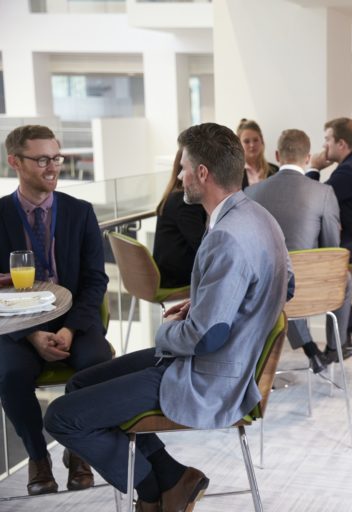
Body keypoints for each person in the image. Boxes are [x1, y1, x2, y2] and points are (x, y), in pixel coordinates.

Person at [44, 123, 292, 512]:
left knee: (61, 417)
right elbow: (285, 286)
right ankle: (174, 478)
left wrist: (167, 330)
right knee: (79, 385)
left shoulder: (227, 235)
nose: (179, 175)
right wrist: (208, 300)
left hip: (210, 373)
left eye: (184, 167)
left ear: (203, 174)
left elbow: (207, 337)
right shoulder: (260, 216)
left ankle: (151, 492)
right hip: (221, 360)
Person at [0, 125, 111, 495]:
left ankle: (78, 448)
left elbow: (96, 280)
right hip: (17, 325)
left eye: (56, 158)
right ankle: (38, 456)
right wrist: (30, 333)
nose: (52, 167)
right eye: (42, 159)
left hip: (74, 322)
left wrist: (68, 330)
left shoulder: (81, 213)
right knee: (9, 373)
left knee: (96, 361)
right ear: (15, 161)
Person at [245, 128, 352, 373]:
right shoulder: (323, 192)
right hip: (307, 288)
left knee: (283, 275)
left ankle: (309, 347)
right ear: (307, 158)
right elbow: (331, 251)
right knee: (344, 278)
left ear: (277, 154)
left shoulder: (251, 193)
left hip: (263, 289)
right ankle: (333, 347)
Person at [310, 117, 352, 346]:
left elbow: (313, 201)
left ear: (341, 144)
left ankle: (342, 336)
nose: (324, 146)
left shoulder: (347, 171)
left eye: (327, 139)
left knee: (312, 262)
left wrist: (314, 169)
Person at [152, 149, 207, 288]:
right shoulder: (185, 201)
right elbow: (203, 245)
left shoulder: (174, 195)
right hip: (176, 277)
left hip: (165, 271)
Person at [237, 118, 278, 188]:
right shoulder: (234, 174)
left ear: (261, 141)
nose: (252, 145)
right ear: (239, 144)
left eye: (255, 140)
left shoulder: (275, 170)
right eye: (247, 141)